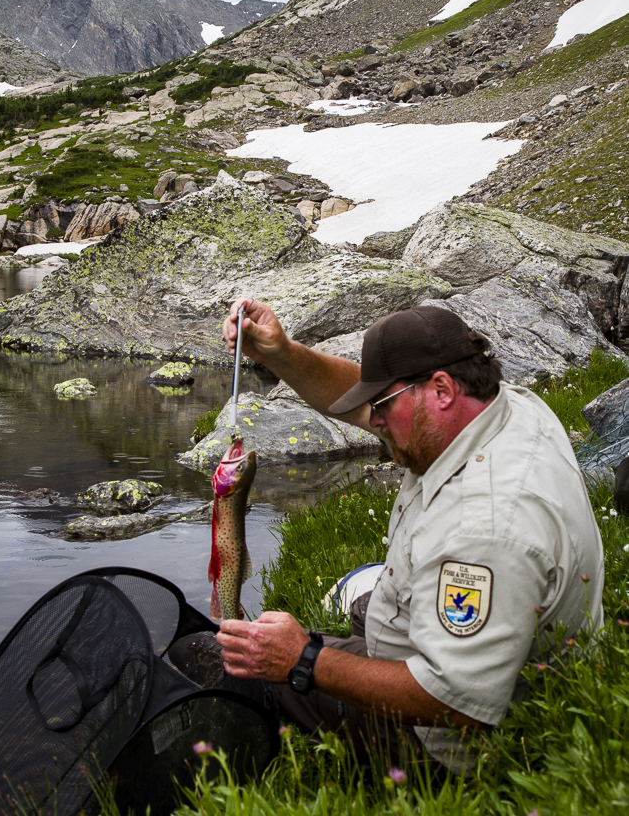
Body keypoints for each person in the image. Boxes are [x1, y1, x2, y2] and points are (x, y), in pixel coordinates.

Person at [213, 299, 604, 770]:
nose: (372, 420)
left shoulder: (486, 527)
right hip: (501, 658)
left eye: (382, 406)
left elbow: (455, 700)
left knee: (225, 666)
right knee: (333, 621)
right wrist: (282, 352)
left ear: (440, 390)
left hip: (454, 740)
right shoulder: (500, 405)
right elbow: (360, 396)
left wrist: (304, 660)